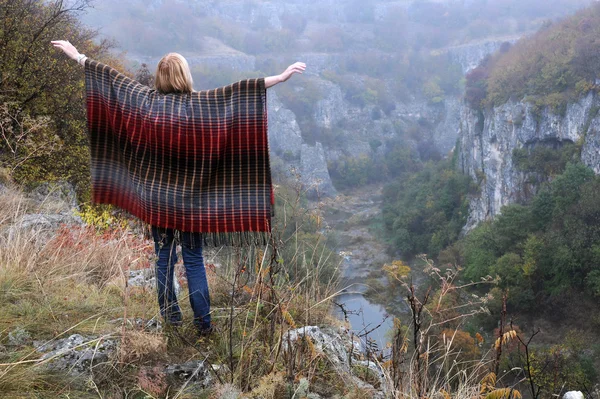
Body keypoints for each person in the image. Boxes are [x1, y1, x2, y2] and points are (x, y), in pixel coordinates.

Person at [52, 39, 305, 337]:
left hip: (157, 203)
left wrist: (78, 56)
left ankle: (172, 321)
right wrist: (281, 76)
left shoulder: (144, 101)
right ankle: (204, 327)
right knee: (194, 260)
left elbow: (110, 78)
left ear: (160, 78)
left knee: (164, 258)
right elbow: (241, 91)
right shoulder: (201, 104)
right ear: (184, 76)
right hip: (190, 204)